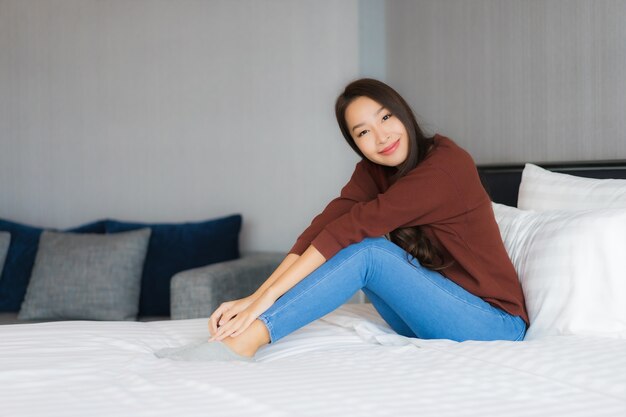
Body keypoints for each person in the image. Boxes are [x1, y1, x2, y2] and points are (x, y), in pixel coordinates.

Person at [155, 78, 529, 363]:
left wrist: (264, 301)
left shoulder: (447, 166)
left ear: (403, 113)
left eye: (386, 117)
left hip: (493, 324)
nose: (381, 137)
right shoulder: (374, 171)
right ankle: (245, 335)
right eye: (364, 132)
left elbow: (352, 230)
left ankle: (245, 343)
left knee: (368, 252)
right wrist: (255, 296)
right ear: (355, 143)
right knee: (351, 243)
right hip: (430, 318)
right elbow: (323, 228)